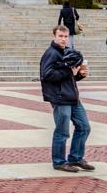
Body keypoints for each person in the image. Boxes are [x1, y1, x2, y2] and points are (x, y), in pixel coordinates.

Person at [39, 25, 93, 173]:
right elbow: (46, 75)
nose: (63, 39)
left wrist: (79, 74)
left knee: (84, 127)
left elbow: (69, 78)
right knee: (62, 131)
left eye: (65, 36)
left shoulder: (67, 52)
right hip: (60, 98)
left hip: (72, 97)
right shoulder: (51, 54)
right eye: (60, 36)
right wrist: (68, 71)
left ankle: (75, 157)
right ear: (54, 37)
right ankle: (59, 161)